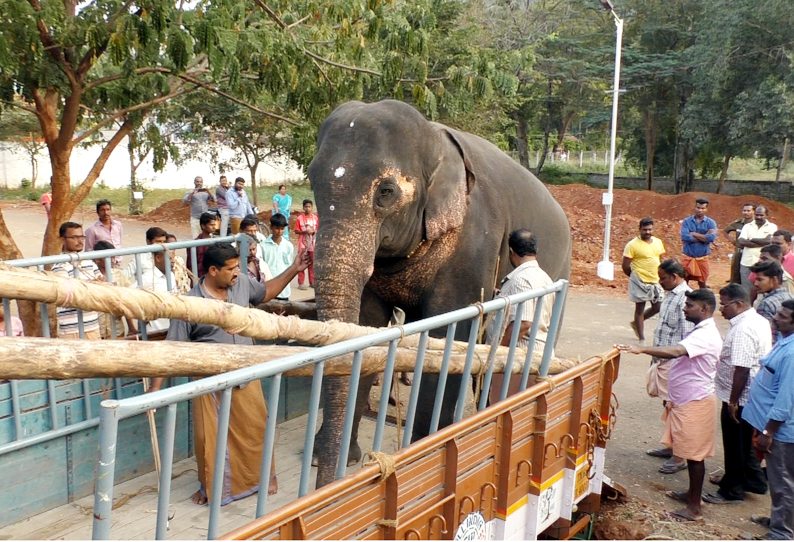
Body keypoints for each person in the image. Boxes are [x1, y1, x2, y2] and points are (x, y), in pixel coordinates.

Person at [155, 243, 310, 505]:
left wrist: (294, 269)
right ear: (213, 271)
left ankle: (265, 477)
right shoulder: (190, 304)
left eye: (238, 267)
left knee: (256, 428)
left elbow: (265, 292)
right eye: (231, 268)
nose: (237, 272)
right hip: (210, 382)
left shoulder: (242, 285)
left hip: (246, 373)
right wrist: (155, 388)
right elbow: (173, 347)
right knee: (209, 439)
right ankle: (210, 488)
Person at [620, 289, 722, 522]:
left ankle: (694, 508)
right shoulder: (701, 330)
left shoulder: (704, 335)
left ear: (704, 309)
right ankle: (691, 495)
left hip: (694, 401)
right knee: (690, 451)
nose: (685, 309)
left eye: (690, 305)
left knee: (695, 456)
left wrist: (642, 348)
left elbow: (677, 351)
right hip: (688, 399)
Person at [699, 284, 770, 505]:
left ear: (738, 304)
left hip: (740, 397)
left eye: (725, 304)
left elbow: (742, 369)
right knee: (743, 442)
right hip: (749, 395)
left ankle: (732, 491)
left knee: (735, 444)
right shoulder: (758, 320)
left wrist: (732, 401)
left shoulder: (742, 329)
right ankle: (754, 480)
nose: (721, 309)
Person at [742, 300, 794, 540]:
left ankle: (781, 533)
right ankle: (779, 520)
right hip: (773, 428)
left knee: (783, 483)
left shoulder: (793, 353)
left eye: (782, 316)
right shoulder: (785, 341)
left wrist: (768, 432)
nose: (775, 318)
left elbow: (785, 399)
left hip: (781, 433)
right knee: (779, 481)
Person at [485, 229, 554, 402]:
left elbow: (523, 323)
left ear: (511, 252)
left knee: (508, 418)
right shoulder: (544, 278)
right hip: (539, 356)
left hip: (518, 363)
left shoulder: (519, 280)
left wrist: (498, 351)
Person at [645, 259, 694, 475]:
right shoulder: (670, 295)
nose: (660, 282)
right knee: (668, 405)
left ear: (675, 277)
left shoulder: (685, 299)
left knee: (677, 408)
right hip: (663, 360)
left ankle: (680, 455)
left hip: (675, 363)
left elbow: (686, 337)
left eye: (663, 278)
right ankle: (672, 445)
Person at [51, 222, 102, 340]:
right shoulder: (59, 266)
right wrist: (92, 286)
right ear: (63, 240)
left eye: (81, 237)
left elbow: (100, 282)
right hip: (71, 328)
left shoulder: (89, 262)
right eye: (74, 237)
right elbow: (68, 293)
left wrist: (97, 284)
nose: (79, 241)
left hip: (92, 324)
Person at [622, 218, 665, 345]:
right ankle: (641, 338)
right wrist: (635, 277)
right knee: (639, 308)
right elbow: (625, 265)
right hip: (639, 280)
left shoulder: (658, 242)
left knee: (658, 306)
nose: (647, 232)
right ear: (639, 229)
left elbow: (660, 260)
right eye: (645, 229)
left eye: (650, 229)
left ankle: (636, 323)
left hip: (655, 279)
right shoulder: (632, 245)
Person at [92, 240, 134, 339]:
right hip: (97, 328)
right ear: (97, 259)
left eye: (113, 257)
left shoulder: (118, 275)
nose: (111, 260)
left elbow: (127, 300)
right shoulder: (90, 275)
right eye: (108, 257)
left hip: (116, 327)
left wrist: (131, 327)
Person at [133, 243, 176, 333]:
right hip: (155, 331)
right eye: (170, 258)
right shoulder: (147, 278)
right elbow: (129, 295)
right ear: (158, 258)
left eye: (173, 258)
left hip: (170, 327)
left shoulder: (171, 275)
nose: (173, 261)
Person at [680, 198, 717, 288]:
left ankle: (702, 299)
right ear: (695, 207)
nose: (700, 210)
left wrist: (693, 234)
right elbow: (684, 236)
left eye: (702, 208)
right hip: (688, 257)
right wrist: (703, 237)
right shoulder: (687, 221)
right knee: (684, 282)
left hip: (702, 258)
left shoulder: (711, 223)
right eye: (698, 207)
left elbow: (711, 238)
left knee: (702, 283)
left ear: (706, 209)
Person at [738, 206, 777, 288]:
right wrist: (762, 242)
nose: (758, 217)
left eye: (761, 215)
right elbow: (741, 241)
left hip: (763, 263)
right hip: (747, 262)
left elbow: (769, 241)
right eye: (757, 215)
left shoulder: (772, 227)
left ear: (767, 215)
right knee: (746, 288)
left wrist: (751, 239)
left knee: (762, 288)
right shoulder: (747, 226)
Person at [750, 260, 794, 332]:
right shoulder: (790, 297)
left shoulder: (766, 304)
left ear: (774, 279)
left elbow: (765, 334)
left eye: (760, 280)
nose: (756, 284)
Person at [262, 213, 294, 300]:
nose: (279, 232)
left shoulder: (289, 246)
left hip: (284, 289)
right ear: (271, 227)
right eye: (277, 228)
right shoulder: (263, 246)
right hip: (268, 288)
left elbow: (289, 265)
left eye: (282, 229)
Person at [723, 203, 755, 284]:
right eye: (744, 210)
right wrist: (733, 241)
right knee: (735, 273)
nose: (746, 212)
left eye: (748, 210)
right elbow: (725, 231)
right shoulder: (738, 223)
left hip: (751, 253)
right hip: (739, 252)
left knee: (750, 274)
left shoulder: (756, 224)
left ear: (753, 211)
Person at [85, 199, 123, 268]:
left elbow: (119, 242)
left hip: (117, 263)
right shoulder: (92, 229)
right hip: (102, 265)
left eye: (108, 210)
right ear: (98, 212)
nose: (106, 213)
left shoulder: (118, 225)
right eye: (102, 210)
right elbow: (88, 250)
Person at [186, 212, 218, 280]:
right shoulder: (195, 244)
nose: (214, 227)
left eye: (214, 225)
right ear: (203, 226)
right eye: (211, 225)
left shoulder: (214, 241)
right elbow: (190, 266)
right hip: (199, 279)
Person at [294, 199, 318, 289]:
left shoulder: (315, 218)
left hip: (312, 243)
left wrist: (313, 231)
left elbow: (318, 229)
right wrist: (304, 232)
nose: (307, 208)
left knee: (312, 263)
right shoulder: (300, 218)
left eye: (309, 207)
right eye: (306, 207)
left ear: (312, 207)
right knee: (302, 262)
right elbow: (296, 230)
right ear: (303, 208)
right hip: (302, 244)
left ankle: (312, 282)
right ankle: (301, 283)